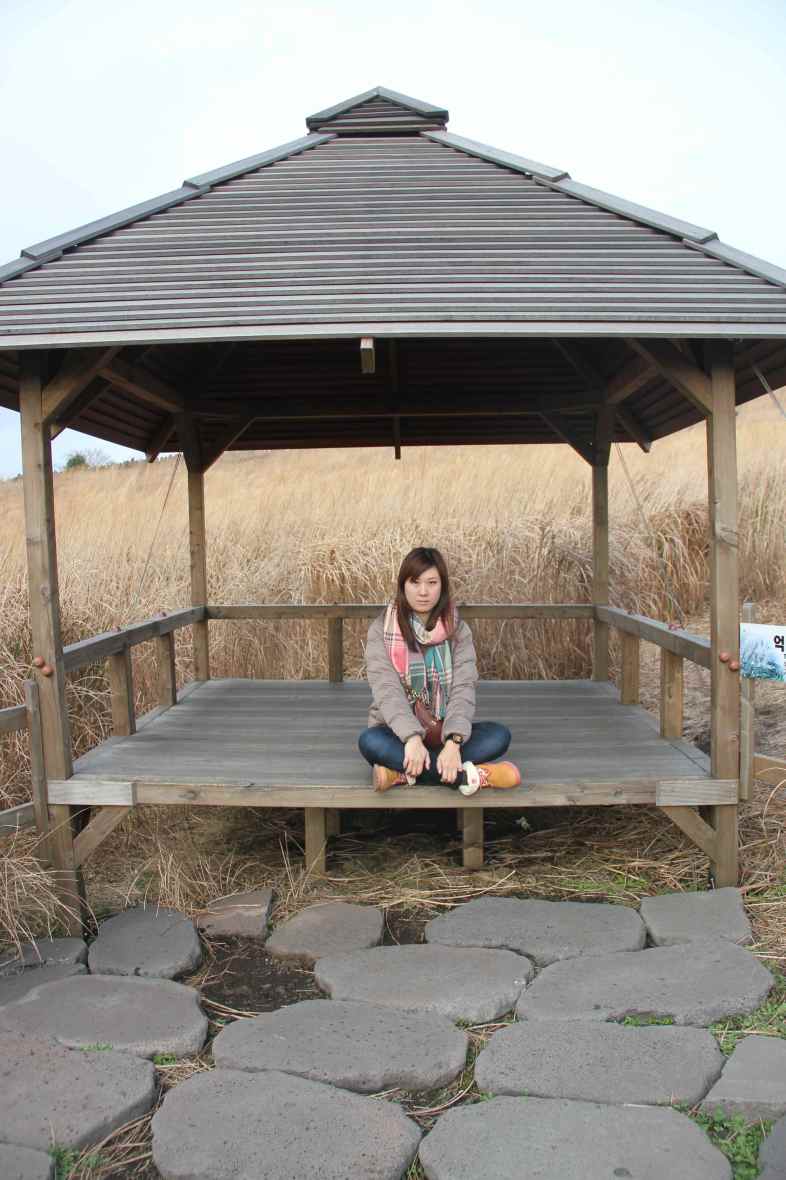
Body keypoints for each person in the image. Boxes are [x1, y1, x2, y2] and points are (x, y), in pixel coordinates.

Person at [358, 547, 522, 796]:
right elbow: (387, 691)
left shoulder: (458, 631)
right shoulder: (382, 630)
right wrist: (412, 739)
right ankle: (472, 776)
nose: (423, 592)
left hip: (444, 730)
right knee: (370, 742)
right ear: (403, 585)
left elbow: (463, 689)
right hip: (397, 733)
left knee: (498, 736)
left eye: (432, 583)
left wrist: (454, 743)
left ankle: (402, 773)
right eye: (415, 582)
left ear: (442, 586)